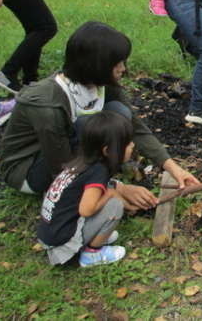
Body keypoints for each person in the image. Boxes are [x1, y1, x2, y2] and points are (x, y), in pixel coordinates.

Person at [0, 21, 199, 203]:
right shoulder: (48, 106)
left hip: (67, 151)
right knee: (89, 126)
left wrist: (173, 168)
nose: (123, 69)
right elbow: (61, 166)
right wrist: (117, 190)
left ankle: (99, 176)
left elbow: (136, 128)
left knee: (119, 113)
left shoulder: (100, 83)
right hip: (31, 170)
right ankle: (90, 184)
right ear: (96, 65)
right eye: (117, 63)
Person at [37, 111, 132, 267]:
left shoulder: (81, 163)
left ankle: (93, 235)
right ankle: (92, 253)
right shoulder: (98, 171)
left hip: (50, 233)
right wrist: (110, 194)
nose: (132, 146)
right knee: (114, 205)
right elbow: (86, 211)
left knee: (107, 196)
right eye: (127, 144)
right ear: (107, 151)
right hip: (62, 243)